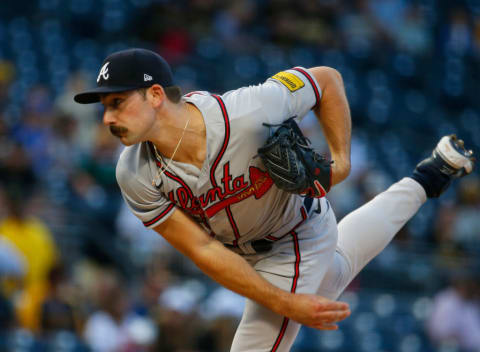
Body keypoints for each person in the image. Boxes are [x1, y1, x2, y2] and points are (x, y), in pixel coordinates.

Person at [74, 48, 475, 351]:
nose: (107, 118)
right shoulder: (134, 173)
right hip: (247, 255)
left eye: (117, 102)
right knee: (342, 261)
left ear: (156, 94)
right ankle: (431, 174)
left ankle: (428, 177)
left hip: (296, 234)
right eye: (105, 107)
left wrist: (341, 163)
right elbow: (202, 249)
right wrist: (287, 301)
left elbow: (327, 81)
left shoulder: (249, 111)